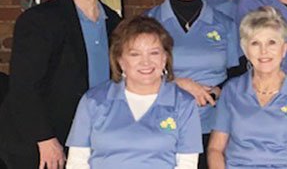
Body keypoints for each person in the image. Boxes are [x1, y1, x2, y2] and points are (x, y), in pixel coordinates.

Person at [0, 0, 121, 169]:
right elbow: (23, 87)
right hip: (46, 140)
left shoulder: (114, 22)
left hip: (94, 135)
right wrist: (44, 139)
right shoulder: (40, 20)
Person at [147, 0, 240, 168]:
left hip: (216, 129)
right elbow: (135, 76)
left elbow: (238, 72)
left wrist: (218, 91)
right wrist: (180, 83)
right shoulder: (150, 23)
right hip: (164, 127)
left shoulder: (224, 24)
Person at [65, 16, 203, 168]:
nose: (146, 62)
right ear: (120, 61)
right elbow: (77, 162)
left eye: (154, 53)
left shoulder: (184, 103)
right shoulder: (93, 101)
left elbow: (187, 164)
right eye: (135, 54)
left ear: (165, 58)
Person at [208, 7, 287, 169]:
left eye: (271, 42)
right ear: (246, 50)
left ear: (284, 49)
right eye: (255, 43)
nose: (264, 51)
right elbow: (215, 149)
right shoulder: (232, 90)